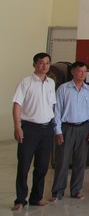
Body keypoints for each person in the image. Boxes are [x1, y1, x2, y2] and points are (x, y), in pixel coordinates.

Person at [11, 52, 56, 211]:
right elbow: (17, 105)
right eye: (41, 63)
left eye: (47, 63)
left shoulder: (51, 83)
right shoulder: (26, 82)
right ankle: (20, 199)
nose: (44, 66)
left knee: (42, 166)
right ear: (34, 64)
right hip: (29, 129)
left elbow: (52, 105)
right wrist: (17, 127)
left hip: (47, 129)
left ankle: (36, 197)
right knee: (24, 165)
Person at [50, 61, 89, 203]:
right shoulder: (63, 89)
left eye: (85, 71)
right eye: (80, 71)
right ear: (73, 72)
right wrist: (57, 131)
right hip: (66, 128)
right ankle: (57, 192)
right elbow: (57, 111)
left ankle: (76, 190)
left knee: (80, 162)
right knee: (62, 161)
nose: (83, 74)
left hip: (83, 128)